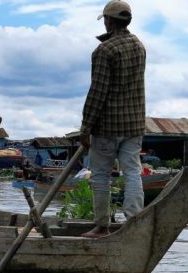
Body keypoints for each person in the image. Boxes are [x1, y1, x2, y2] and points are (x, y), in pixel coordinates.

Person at [79, 0, 146, 239]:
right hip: (134, 125)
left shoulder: (104, 50)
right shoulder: (139, 46)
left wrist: (85, 128)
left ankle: (101, 226)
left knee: (100, 176)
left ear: (108, 21)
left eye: (105, 19)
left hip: (108, 126)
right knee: (132, 172)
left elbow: (97, 93)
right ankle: (135, 222)